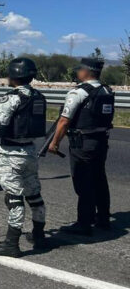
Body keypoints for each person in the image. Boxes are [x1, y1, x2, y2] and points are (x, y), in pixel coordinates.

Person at [0, 57, 48, 257]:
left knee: (14, 199)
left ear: (14, 75)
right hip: (30, 152)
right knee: (34, 194)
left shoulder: (11, 98)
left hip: (11, 153)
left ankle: (11, 244)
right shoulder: (39, 96)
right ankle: (39, 236)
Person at [47, 57, 114, 235]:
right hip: (101, 141)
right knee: (99, 179)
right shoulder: (106, 90)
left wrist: (54, 143)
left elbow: (63, 121)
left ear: (86, 71)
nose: (77, 72)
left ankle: (84, 223)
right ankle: (103, 219)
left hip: (82, 143)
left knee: (83, 182)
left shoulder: (79, 92)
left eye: (79, 70)